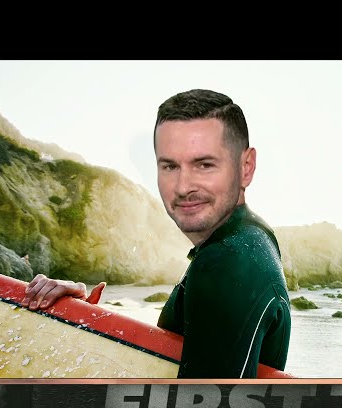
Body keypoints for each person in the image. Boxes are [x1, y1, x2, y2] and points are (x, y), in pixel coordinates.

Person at [20, 88, 292, 379]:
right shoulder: (250, 238)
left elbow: (208, 402)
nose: (183, 186)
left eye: (204, 164)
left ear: (246, 167)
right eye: (170, 166)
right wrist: (82, 315)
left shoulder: (228, 260)